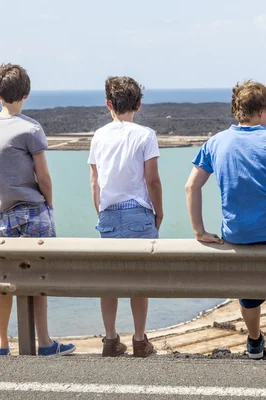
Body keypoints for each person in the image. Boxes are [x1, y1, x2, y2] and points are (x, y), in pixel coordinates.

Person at [185, 80, 266, 360]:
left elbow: (191, 187)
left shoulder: (216, 142)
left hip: (236, 235)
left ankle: (255, 341)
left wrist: (199, 231)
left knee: (249, 295)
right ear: (262, 111)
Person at [0, 63, 76, 357]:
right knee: (38, 278)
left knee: (4, 279)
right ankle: (44, 342)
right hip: (33, 211)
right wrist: (50, 205)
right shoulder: (30, 128)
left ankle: (2, 344)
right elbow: (43, 177)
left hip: (1, 215)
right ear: (26, 94)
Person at [88, 76, 162, 357]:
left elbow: (94, 181)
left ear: (108, 104)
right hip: (139, 212)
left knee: (109, 280)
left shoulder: (99, 135)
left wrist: (101, 211)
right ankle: (140, 340)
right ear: (139, 105)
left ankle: (110, 339)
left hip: (108, 213)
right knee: (138, 279)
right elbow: (152, 180)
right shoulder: (146, 135)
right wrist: (159, 212)